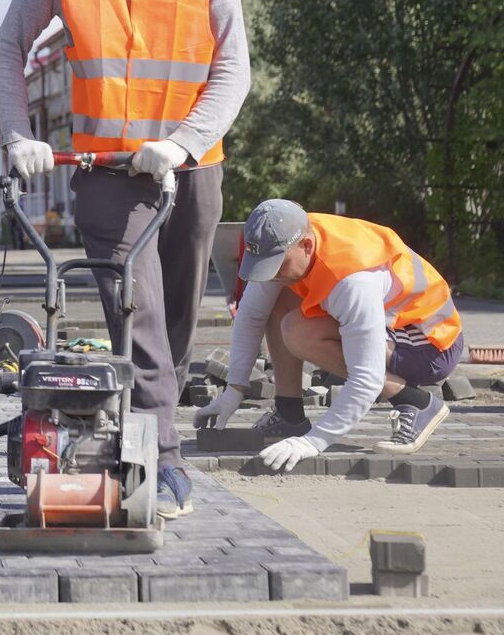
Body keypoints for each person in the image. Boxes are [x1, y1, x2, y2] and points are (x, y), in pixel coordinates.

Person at [0, 0, 250, 518]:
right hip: (106, 173)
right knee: (139, 316)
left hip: (190, 171)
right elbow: (8, 48)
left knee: (178, 323)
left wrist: (183, 144)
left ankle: (158, 430)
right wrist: (20, 136)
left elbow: (233, 68)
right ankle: (163, 464)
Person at [194, 199, 465, 467]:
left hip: (428, 343)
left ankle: (416, 402)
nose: (271, 272)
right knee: (277, 297)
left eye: (277, 263)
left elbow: (366, 378)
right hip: (389, 326)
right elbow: (252, 314)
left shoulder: (353, 281)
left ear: (306, 246)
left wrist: (314, 441)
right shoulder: (288, 235)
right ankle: (289, 413)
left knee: (299, 332)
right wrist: (234, 389)